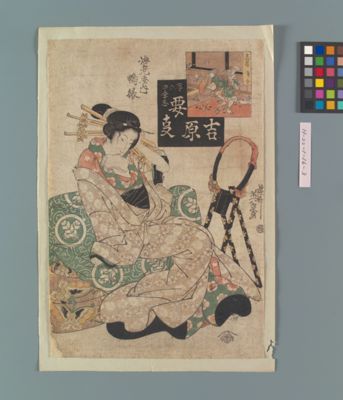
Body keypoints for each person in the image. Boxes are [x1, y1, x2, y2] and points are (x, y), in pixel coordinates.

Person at [74, 104, 260, 339]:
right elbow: (96, 205)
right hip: (131, 233)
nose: (126, 145)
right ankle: (179, 311)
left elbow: (163, 166)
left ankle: (209, 302)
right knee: (199, 240)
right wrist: (111, 243)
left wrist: (137, 143)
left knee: (200, 239)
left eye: (131, 141)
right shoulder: (91, 159)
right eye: (122, 139)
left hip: (153, 220)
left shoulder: (130, 155)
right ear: (110, 131)